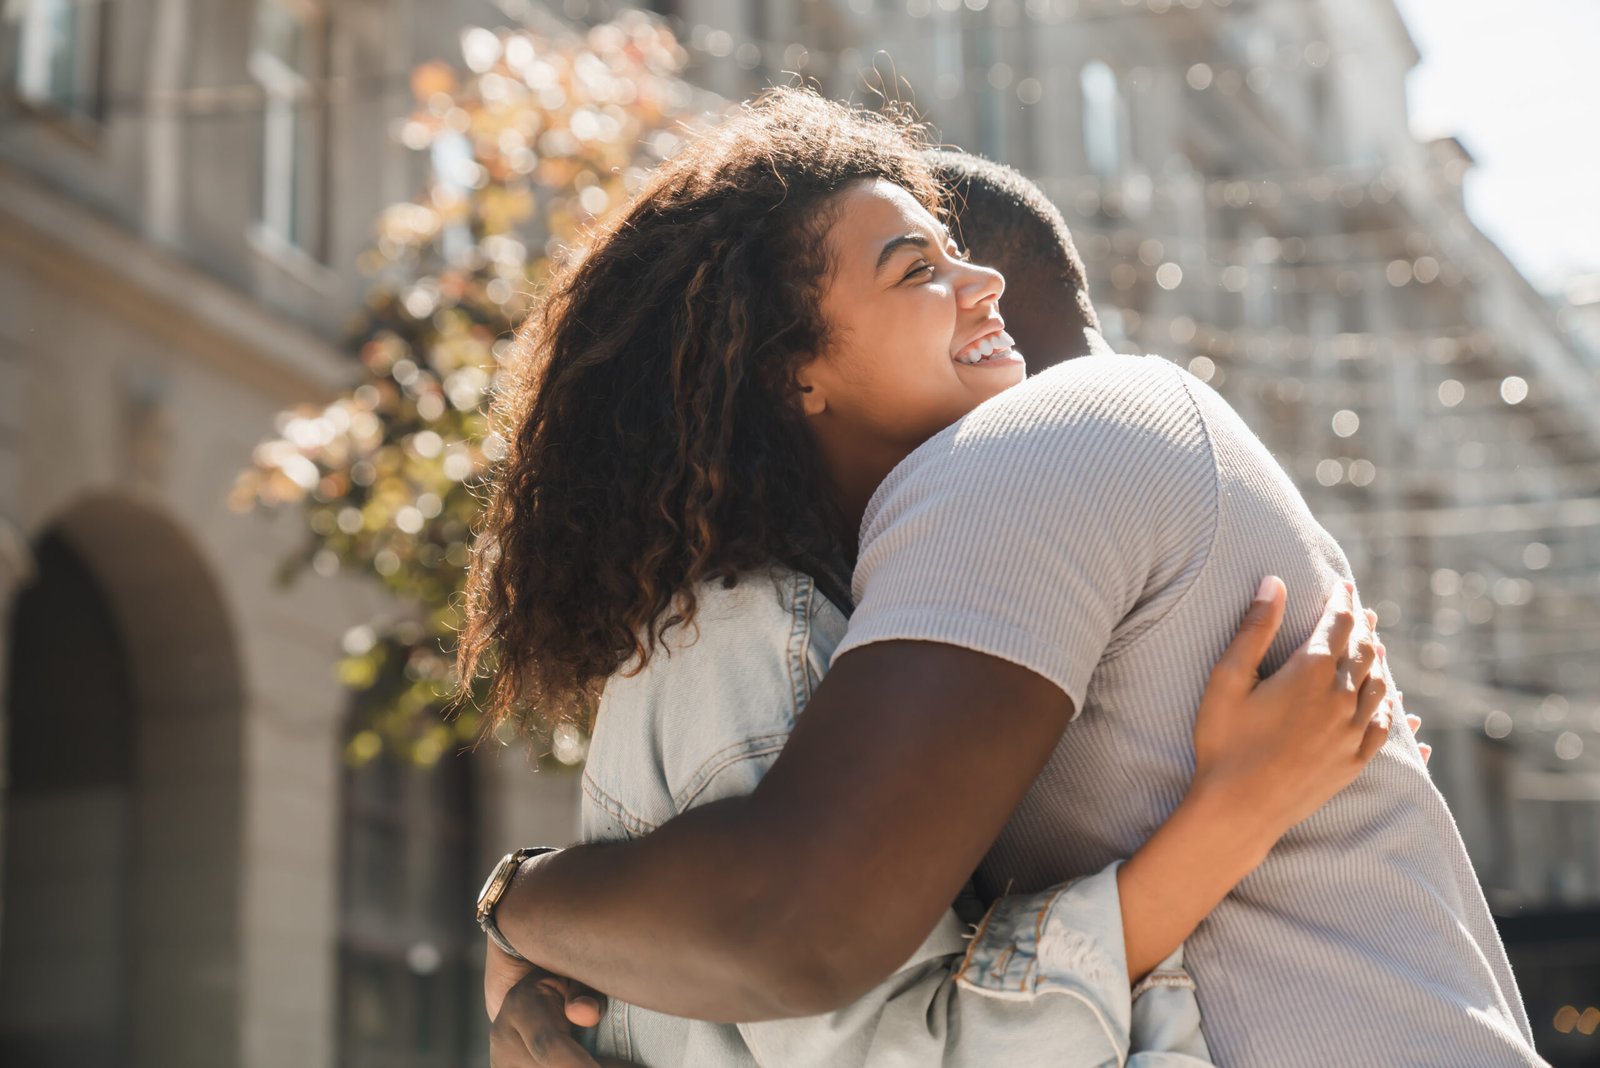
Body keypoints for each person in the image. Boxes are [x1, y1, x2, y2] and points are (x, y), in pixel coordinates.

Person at [466, 92, 1538, 1066]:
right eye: (917, 267)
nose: (977, 287)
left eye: (959, 255)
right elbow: (815, 969)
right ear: (788, 364)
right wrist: (1230, 819)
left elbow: (805, 953)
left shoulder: (1046, 447)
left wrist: (522, 904)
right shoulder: (767, 622)